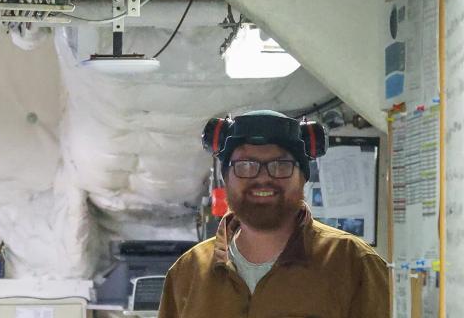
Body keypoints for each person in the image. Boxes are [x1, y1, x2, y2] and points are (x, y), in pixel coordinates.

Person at [158, 110, 389, 318]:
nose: (262, 178)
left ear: (303, 178)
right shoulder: (187, 273)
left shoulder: (354, 265)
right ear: (226, 178)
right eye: (246, 165)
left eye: (280, 165)